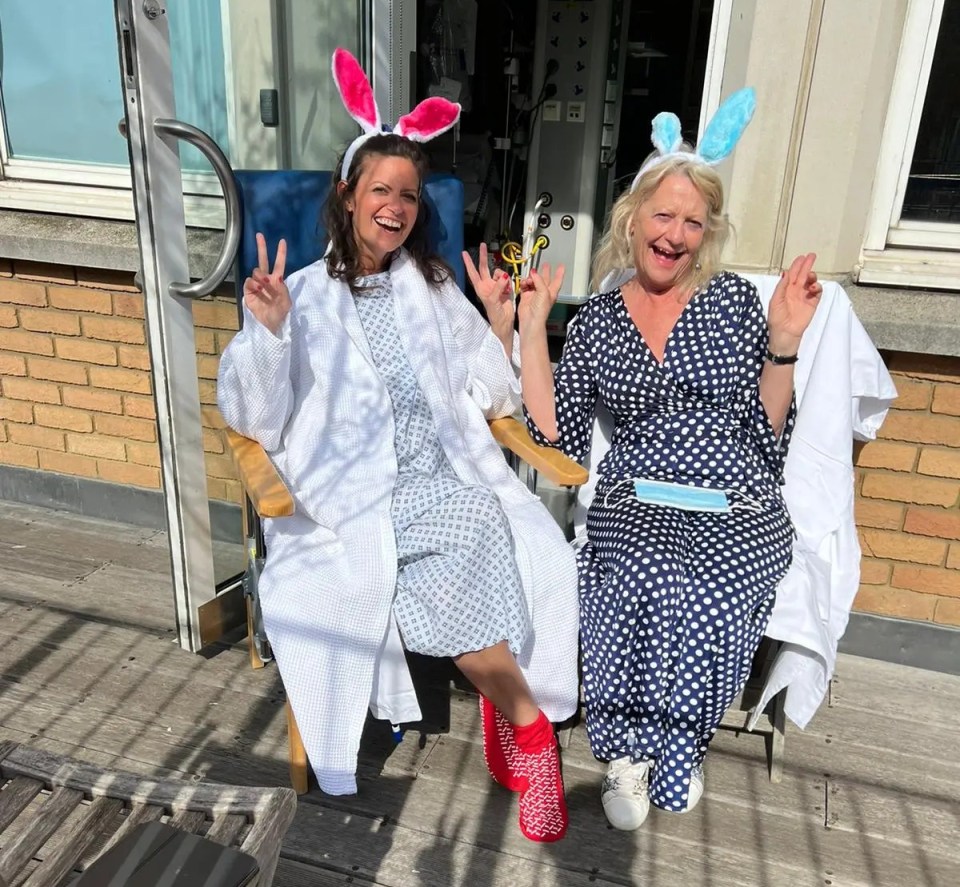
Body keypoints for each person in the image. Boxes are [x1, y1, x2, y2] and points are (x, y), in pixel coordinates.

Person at [217, 49, 578, 843]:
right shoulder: (301, 294)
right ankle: (527, 725)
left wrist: (501, 319)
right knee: (463, 537)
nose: (396, 206)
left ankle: (515, 717)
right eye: (381, 190)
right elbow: (253, 415)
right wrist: (270, 334)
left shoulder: (434, 288)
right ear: (348, 196)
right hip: (351, 492)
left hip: (440, 470)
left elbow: (493, 387)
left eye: (409, 195)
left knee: (497, 528)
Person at [518, 89, 823, 830]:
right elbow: (554, 435)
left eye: (694, 221)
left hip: (734, 491)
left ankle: (677, 749)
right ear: (634, 217)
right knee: (629, 575)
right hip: (637, 492)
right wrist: (531, 329)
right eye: (664, 215)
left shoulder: (731, 304)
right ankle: (624, 751)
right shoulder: (596, 317)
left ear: (708, 232)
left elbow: (764, 429)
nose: (676, 234)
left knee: (704, 587)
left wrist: (783, 341)